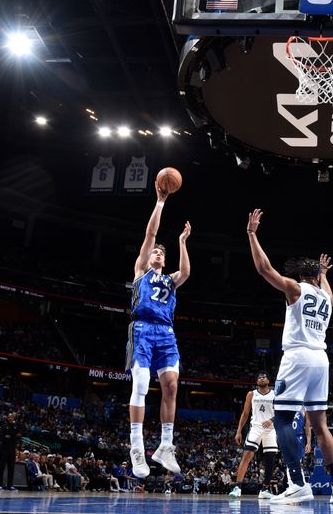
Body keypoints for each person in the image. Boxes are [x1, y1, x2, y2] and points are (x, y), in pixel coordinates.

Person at [246, 208, 333, 505]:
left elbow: (265, 269)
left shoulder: (294, 288)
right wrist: (325, 275)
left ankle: (297, 483)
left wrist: (252, 234)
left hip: (298, 357)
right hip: (321, 360)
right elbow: (328, 290)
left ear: (300, 275)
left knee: (282, 419)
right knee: (320, 425)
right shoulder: (326, 297)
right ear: (317, 275)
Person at [126, 182, 191, 477]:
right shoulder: (141, 270)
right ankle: (137, 447)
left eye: (160, 254)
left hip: (166, 332)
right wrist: (160, 203)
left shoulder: (171, 279)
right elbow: (151, 234)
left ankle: (165, 446)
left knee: (172, 386)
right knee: (140, 386)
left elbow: (187, 272)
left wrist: (182, 242)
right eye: (155, 253)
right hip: (142, 329)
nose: (157, 254)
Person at [229, 371, 279, 499]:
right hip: (256, 427)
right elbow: (245, 414)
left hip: (271, 429)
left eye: (264, 376)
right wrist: (239, 430)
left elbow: (280, 413)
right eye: (259, 377)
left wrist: (272, 420)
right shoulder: (251, 394)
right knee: (246, 456)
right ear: (257, 382)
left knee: (270, 461)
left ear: (268, 381)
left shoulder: (275, 394)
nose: (262, 378)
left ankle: (265, 489)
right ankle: (237, 487)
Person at [0, 412, 20, 491]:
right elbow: (2, 437)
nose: (10, 418)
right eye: (9, 417)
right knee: (1, 467)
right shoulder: (4, 426)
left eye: (11, 417)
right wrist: (10, 437)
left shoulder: (16, 427)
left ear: (13, 418)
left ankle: (10, 486)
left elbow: (18, 436)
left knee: (11, 468)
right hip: (4, 449)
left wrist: (10, 436)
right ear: (7, 418)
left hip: (12, 450)